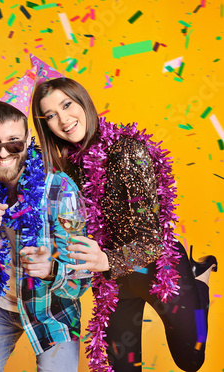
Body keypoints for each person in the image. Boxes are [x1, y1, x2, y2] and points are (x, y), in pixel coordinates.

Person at [32, 74, 217, 372]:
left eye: (67, 105)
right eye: (51, 115)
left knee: (191, 360)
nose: (63, 119)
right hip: (114, 282)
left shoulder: (127, 151)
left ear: (83, 101)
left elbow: (153, 240)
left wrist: (105, 259)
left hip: (158, 268)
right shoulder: (66, 170)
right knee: (123, 368)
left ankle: (199, 281)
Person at [0, 69, 90, 372]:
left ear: (29, 139)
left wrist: (51, 270)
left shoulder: (59, 189)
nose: (4, 153)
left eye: (14, 143)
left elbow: (83, 273)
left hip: (52, 311)